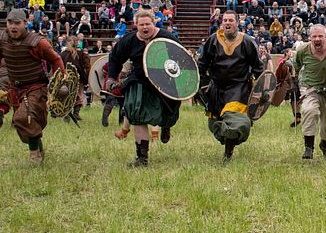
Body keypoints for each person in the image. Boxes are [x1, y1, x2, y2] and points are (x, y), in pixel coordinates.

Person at [106, 9, 182, 167]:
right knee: (137, 114)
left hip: (165, 82)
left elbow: (181, 59)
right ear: (136, 25)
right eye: (141, 25)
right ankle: (142, 158)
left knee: (168, 112)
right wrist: (112, 77)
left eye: (148, 24)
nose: (145, 27)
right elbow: (115, 58)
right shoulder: (129, 40)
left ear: (154, 23)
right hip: (139, 80)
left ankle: (165, 125)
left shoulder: (167, 38)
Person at [198, 10, 264, 163]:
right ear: (222, 23)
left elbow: (258, 68)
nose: (227, 23)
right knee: (214, 123)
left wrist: (261, 90)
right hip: (216, 89)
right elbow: (202, 64)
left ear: (237, 23)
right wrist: (197, 84)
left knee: (237, 122)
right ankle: (229, 141)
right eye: (225, 20)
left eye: (231, 20)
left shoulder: (247, 42)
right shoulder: (213, 40)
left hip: (238, 89)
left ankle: (228, 154)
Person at [0, 9, 65, 165]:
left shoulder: (37, 42)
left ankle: (34, 157)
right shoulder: (2, 39)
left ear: (25, 23)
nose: (13, 26)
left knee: (23, 117)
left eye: (17, 23)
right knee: (24, 125)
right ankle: (39, 150)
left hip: (36, 87)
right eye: (10, 22)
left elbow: (56, 60)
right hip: (15, 89)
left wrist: (59, 82)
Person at [292, 24, 326, 160]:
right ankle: (308, 148)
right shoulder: (303, 50)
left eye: (320, 36)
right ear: (310, 37)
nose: (317, 39)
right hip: (310, 88)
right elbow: (297, 65)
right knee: (309, 110)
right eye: (314, 36)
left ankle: (325, 145)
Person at [59, 38, 90, 122]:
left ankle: (68, 114)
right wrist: (85, 77)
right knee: (78, 95)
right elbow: (87, 66)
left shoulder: (63, 54)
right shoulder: (81, 53)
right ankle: (75, 113)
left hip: (67, 78)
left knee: (67, 95)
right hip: (77, 78)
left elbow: (59, 66)